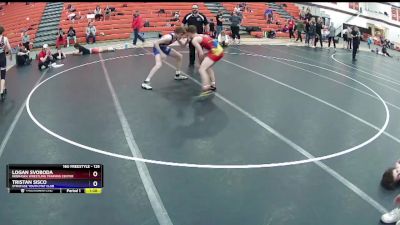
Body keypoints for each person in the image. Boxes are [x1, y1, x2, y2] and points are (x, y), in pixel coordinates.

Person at [186, 25, 224, 98]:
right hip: (219, 50)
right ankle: (212, 85)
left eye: (187, 34)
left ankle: (206, 87)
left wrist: (200, 62)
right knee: (207, 67)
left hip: (215, 52)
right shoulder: (201, 35)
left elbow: (200, 52)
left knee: (202, 69)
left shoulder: (194, 40)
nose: (187, 36)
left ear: (190, 33)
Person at [0, 25, 12, 102]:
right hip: (2, 57)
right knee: (3, 76)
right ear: (2, 32)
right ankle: (1, 91)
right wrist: (10, 55)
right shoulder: (5, 38)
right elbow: (9, 48)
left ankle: (4, 88)